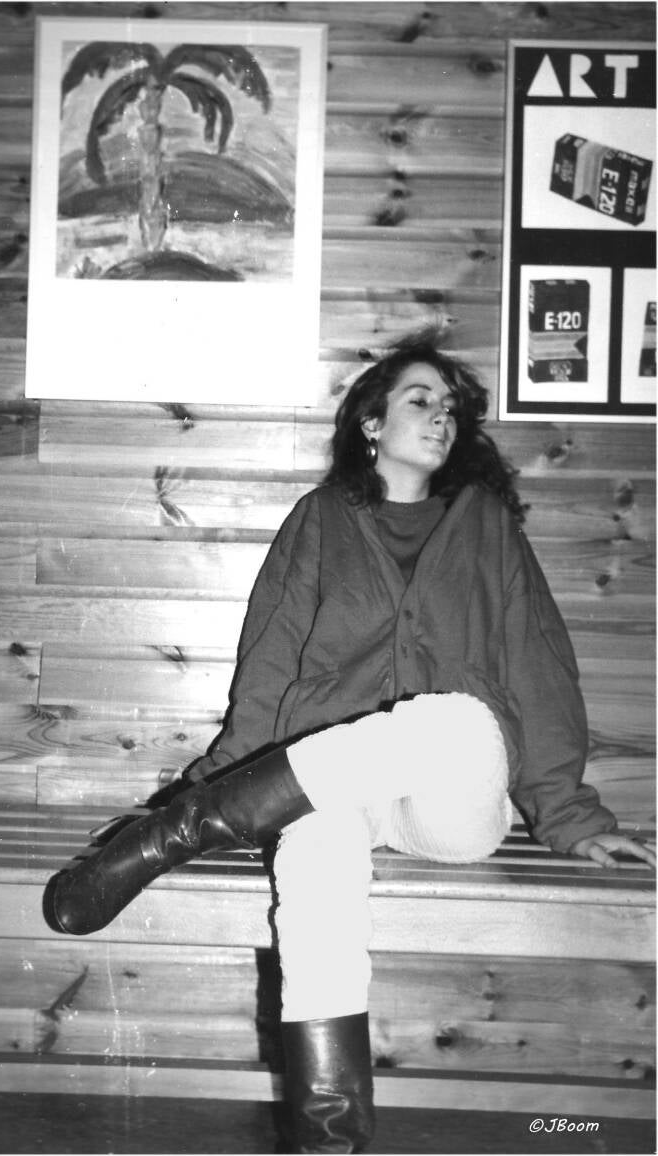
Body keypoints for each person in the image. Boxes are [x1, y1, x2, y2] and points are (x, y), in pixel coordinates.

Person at [45, 341, 655, 1154]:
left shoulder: (487, 527)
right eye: (420, 401)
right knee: (316, 856)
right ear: (371, 423)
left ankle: (173, 834)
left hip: (452, 798)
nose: (442, 418)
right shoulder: (321, 519)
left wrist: (572, 819)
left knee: (458, 717)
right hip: (333, 786)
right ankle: (329, 1138)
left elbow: (538, 668)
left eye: (451, 408)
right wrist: (217, 771)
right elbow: (270, 663)